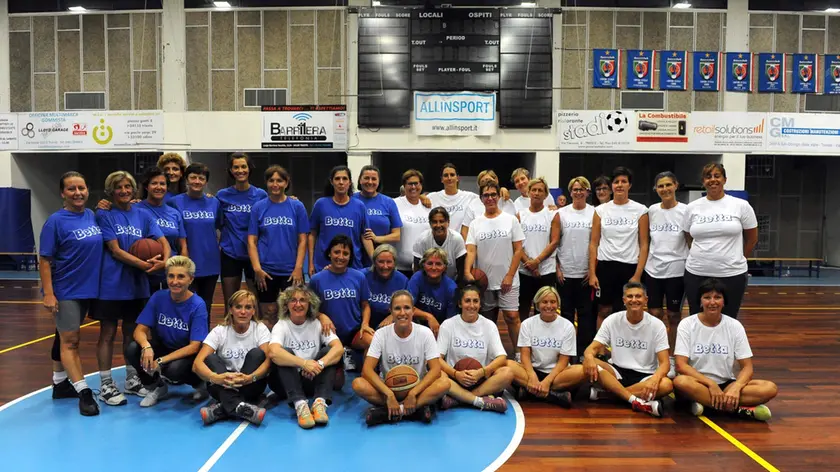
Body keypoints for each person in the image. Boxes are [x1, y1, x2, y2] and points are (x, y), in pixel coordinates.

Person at [93, 170, 169, 406]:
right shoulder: (104, 213)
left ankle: (131, 378)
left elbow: (163, 241)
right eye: (119, 187)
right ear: (111, 191)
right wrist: (147, 265)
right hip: (111, 283)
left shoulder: (143, 214)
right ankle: (105, 382)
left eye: (128, 187)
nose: (124, 191)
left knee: (130, 333)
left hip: (137, 284)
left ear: (134, 189)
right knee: (107, 333)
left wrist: (165, 261)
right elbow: (115, 250)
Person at [39, 171, 103, 415]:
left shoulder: (91, 216)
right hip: (66, 290)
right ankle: (84, 393)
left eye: (82, 188)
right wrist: (48, 293)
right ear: (62, 193)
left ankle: (59, 384)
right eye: (72, 189)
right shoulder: (55, 221)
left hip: (88, 288)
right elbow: (45, 260)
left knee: (62, 337)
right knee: (71, 341)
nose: (78, 193)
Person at [673, 279, 777, 421]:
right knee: (681, 382)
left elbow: (747, 367)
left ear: (724, 301)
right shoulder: (687, 324)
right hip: (698, 383)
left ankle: (710, 404)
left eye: (717, 297)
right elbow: (681, 365)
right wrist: (710, 384)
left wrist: (736, 387)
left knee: (769, 388)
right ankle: (736, 408)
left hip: (727, 384)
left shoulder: (734, 326)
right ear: (700, 301)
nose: (712, 302)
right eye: (707, 297)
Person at [351, 290, 450, 425]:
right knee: (358, 384)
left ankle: (391, 412)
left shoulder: (425, 333)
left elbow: (435, 370)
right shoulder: (381, 334)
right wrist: (389, 394)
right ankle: (414, 410)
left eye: (407, 308)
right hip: (389, 388)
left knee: (445, 382)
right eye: (397, 308)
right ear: (390, 311)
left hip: (417, 388)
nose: (402, 313)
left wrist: (413, 393)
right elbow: (366, 370)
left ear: (413, 311)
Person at [125, 256, 209, 407]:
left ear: (190, 279)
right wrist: (146, 346)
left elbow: (194, 346)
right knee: (132, 349)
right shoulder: (159, 297)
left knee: (174, 370)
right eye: (171, 276)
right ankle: (157, 387)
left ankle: (199, 384)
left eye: (181, 276)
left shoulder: (198, 305)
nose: (174, 281)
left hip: (187, 353)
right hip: (164, 346)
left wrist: (161, 361)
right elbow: (139, 330)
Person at [582, 282, 673, 417]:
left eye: (638, 296)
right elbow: (591, 349)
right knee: (587, 362)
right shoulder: (613, 320)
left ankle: (609, 395)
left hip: (645, 375)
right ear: (624, 300)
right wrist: (588, 357)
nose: (634, 300)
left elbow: (665, 363)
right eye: (630, 296)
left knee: (666, 384)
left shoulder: (657, 325)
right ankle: (636, 400)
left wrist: (655, 379)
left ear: (645, 300)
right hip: (617, 371)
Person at [683, 163, 758, 319]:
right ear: (703, 181)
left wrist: (739, 258)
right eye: (708, 177)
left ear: (724, 179)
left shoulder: (741, 206)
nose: (713, 180)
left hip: (732, 274)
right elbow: (688, 235)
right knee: (697, 319)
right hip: (697, 273)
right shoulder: (692, 208)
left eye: (717, 176)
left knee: (728, 320)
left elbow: (752, 238)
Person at [269, 285, 344, 429]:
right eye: (293, 300)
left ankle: (320, 403)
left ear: (310, 304)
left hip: (311, 378)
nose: (298, 304)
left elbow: (338, 348)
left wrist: (319, 364)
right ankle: (300, 405)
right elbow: (273, 352)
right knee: (284, 352)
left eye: (302, 300)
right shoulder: (282, 325)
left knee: (329, 351)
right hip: (285, 384)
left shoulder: (317, 324)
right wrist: (303, 363)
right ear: (286, 305)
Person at [194, 290, 272, 426]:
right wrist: (215, 377)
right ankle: (243, 408)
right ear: (230, 310)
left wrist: (251, 377)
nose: (243, 312)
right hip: (222, 384)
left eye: (248, 307)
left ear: (254, 311)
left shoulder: (260, 329)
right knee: (210, 358)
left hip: (250, 384)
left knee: (257, 354)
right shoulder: (220, 331)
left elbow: (268, 362)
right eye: (238, 307)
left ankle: (221, 409)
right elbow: (197, 364)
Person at [464, 181, 525, 353]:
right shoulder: (476, 223)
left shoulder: (510, 220)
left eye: (493, 194)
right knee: (487, 321)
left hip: (508, 279)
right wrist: (468, 272)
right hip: (485, 281)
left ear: (498, 197)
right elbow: (470, 250)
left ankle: (519, 355)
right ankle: (488, 355)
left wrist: (509, 276)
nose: (490, 198)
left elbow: (518, 250)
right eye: (486, 195)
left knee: (512, 317)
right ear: (481, 198)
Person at [588, 167, 650, 328]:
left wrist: (637, 274)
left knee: (629, 310)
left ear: (630, 185)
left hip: (630, 267)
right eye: (616, 182)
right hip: (606, 266)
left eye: (624, 181)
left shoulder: (641, 210)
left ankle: (625, 350)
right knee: (603, 310)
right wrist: (593, 273)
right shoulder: (601, 210)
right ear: (612, 186)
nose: (620, 185)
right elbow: (593, 243)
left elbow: (644, 244)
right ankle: (601, 351)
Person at [248, 165, 308, 327]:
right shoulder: (258, 207)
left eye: (279, 181)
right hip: (266, 272)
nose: (275, 184)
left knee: (293, 313)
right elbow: (252, 241)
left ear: (286, 182)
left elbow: (303, 240)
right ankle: (269, 351)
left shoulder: (297, 206)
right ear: (266, 183)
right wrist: (257, 269)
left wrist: (298, 268)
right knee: (268, 314)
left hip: (290, 271)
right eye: (271, 180)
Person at [437, 284, 511, 412]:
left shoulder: (489, 325)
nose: (472, 305)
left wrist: (481, 372)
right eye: (467, 301)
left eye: (475, 301)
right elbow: (438, 359)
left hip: (480, 380)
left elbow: (501, 357)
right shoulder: (448, 325)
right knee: (438, 374)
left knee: (507, 373)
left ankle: (460, 399)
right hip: (455, 379)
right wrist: (456, 374)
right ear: (460, 304)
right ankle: (480, 400)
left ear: (480, 304)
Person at [509, 286, 586, 407]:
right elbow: (525, 355)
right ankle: (552, 395)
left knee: (582, 370)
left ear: (558, 304)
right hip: (532, 371)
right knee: (508, 364)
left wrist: (547, 381)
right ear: (537, 304)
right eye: (544, 302)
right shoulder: (527, 324)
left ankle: (530, 392)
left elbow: (563, 361)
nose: (549, 306)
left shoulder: (567, 326)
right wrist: (532, 376)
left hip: (557, 374)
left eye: (553, 302)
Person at [645, 171, 689, 372]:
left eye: (668, 185)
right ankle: (656, 355)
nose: (665, 189)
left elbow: (690, 240)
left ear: (676, 185)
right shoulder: (652, 210)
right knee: (654, 314)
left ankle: (671, 358)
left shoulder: (686, 211)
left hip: (677, 271)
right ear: (656, 189)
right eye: (660, 186)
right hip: (653, 270)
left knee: (673, 316)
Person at [309, 235, 372, 370]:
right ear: (329, 253)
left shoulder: (359, 277)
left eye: (345, 253)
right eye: (337, 252)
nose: (341, 257)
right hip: (328, 333)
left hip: (353, 331)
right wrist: (321, 315)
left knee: (372, 341)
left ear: (350, 256)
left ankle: (368, 377)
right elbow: (309, 309)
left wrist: (365, 324)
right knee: (337, 384)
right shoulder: (317, 279)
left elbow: (365, 305)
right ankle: (342, 356)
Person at [169, 162, 222, 320]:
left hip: (210, 262)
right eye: (193, 177)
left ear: (206, 181)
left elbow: (221, 226)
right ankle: (186, 342)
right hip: (186, 262)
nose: (197, 181)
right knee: (185, 305)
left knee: (205, 306)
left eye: (201, 178)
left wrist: (219, 245)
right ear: (186, 179)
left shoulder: (214, 203)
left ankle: (203, 341)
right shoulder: (175, 202)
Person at [216, 153, 267, 310]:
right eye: (236, 167)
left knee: (255, 303)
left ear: (249, 168)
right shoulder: (222, 196)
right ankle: (228, 334)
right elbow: (218, 222)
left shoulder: (260, 195)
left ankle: (255, 334)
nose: (240, 170)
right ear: (231, 170)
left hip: (255, 256)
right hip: (230, 254)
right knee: (230, 304)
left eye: (243, 166)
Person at [556, 177, 596, 358]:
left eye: (582, 189)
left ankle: (582, 354)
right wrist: (557, 267)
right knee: (566, 315)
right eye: (575, 189)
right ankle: (566, 354)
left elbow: (597, 243)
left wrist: (592, 269)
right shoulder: (561, 213)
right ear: (570, 192)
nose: (578, 192)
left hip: (586, 274)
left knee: (586, 316)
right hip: (565, 272)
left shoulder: (594, 213)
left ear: (587, 192)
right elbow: (554, 242)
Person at [309, 165, 373, 274]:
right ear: (331, 182)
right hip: (323, 265)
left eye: (345, 179)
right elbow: (312, 234)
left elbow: (365, 236)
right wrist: (310, 263)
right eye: (337, 179)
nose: (341, 182)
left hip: (353, 266)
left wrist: (374, 259)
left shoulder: (359, 206)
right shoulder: (321, 204)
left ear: (350, 182)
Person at [136, 168, 188, 295]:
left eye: (162, 184)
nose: (158, 187)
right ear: (147, 187)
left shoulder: (174, 213)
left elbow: (183, 245)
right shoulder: (135, 209)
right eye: (154, 183)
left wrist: (182, 270)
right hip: (143, 270)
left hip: (169, 271)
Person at [517, 177, 560, 321]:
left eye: (540, 190)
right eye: (533, 190)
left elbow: (554, 242)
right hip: (525, 270)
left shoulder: (553, 214)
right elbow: (516, 244)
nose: (536, 193)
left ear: (546, 194)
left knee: (544, 310)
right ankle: (522, 342)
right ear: (528, 192)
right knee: (522, 309)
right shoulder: (520, 215)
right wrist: (529, 263)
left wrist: (537, 261)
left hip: (546, 270)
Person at [354, 164, 401, 266]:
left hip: (382, 260)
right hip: (354, 258)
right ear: (360, 180)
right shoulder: (351, 200)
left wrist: (376, 238)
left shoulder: (388, 202)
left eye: (374, 179)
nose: (370, 182)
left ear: (378, 181)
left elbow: (397, 235)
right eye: (366, 178)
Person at [408, 248, 458, 336]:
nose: (434, 267)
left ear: (444, 267)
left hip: (439, 328)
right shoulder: (417, 278)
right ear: (423, 265)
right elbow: (406, 307)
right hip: (416, 325)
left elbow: (450, 321)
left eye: (438, 264)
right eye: (430, 263)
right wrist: (428, 316)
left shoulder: (451, 288)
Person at [412, 207, 466, 282]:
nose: (438, 225)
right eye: (434, 222)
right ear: (430, 223)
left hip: (451, 282)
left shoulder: (457, 239)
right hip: (427, 282)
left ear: (448, 222)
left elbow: (461, 271)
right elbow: (417, 269)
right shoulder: (422, 240)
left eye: (442, 221)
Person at [394, 169, 430, 279]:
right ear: (404, 186)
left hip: (425, 268)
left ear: (421, 185)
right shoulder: (394, 203)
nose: (413, 187)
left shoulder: (429, 205)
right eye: (410, 184)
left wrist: (422, 197)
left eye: (416, 183)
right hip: (399, 268)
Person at [461, 170, 514, 240]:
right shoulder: (473, 204)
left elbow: (514, 226)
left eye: (488, 180)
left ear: (496, 180)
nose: (486, 183)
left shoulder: (506, 201)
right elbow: (465, 231)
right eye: (482, 182)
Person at [365, 245, 409, 330]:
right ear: (374, 262)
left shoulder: (403, 281)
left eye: (389, 262)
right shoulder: (363, 276)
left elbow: (406, 308)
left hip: (392, 325)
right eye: (381, 262)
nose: (385, 266)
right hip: (366, 324)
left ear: (395, 263)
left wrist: (392, 316)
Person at [428, 163, 480, 233]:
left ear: (457, 178)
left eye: (452, 175)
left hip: (462, 242)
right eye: (446, 175)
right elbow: (416, 199)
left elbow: (488, 199)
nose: (449, 178)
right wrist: (422, 197)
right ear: (441, 179)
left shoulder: (470, 197)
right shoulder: (432, 197)